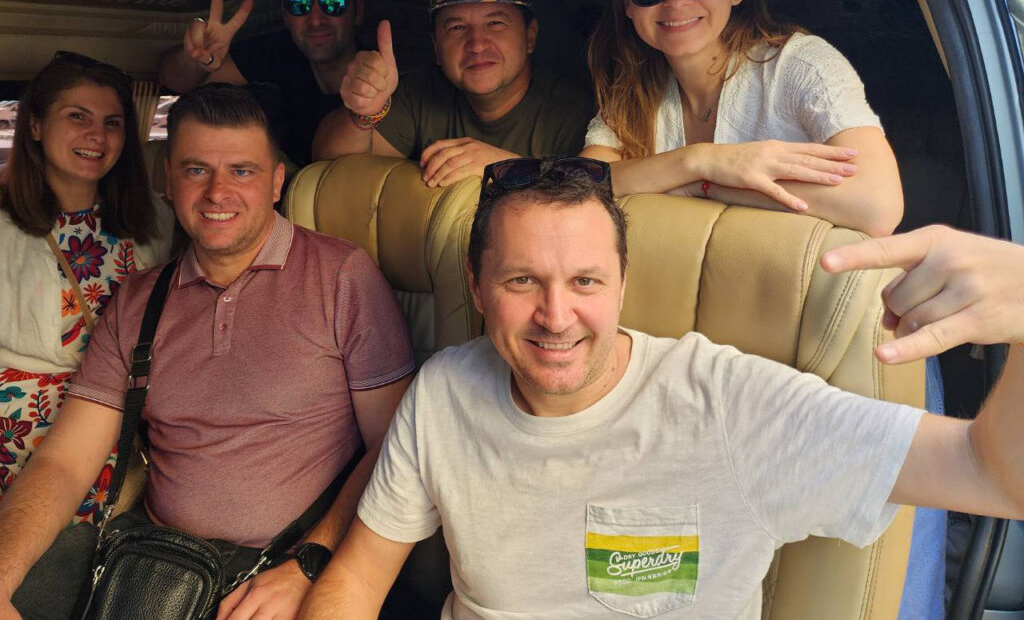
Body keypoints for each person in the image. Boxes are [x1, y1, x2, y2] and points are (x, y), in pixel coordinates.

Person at [298, 157, 1024, 619]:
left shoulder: (730, 404)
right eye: (522, 281)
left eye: (586, 281)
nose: (556, 315)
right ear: (477, 287)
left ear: (623, 285)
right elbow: (356, 580)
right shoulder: (443, 391)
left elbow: (991, 474)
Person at [0, 84, 415, 620]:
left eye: (242, 171)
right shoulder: (139, 299)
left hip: (288, 568)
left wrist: (312, 564)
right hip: (153, 566)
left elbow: (396, 447)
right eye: (197, 170)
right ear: (168, 179)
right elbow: (63, 462)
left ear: (276, 182)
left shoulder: (342, 276)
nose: (219, 192)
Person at [582, 0, 903, 237]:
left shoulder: (800, 65)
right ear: (629, 2)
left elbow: (877, 203)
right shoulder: (633, 88)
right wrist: (698, 162)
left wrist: (707, 185)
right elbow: (580, 182)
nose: (676, 0)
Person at [0, 51, 174, 518]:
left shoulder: (155, 219)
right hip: (14, 440)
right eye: (78, 116)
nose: (97, 135)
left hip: (119, 428)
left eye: (112, 123)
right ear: (35, 125)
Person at [312, 0, 595, 187]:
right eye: (457, 28)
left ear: (529, 37)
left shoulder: (573, 111)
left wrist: (508, 169)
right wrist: (364, 113)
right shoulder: (421, 92)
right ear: (437, 48)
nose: (477, 44)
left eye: (495, 24)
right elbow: (329, 166)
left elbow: (595, 198)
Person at [157, 0, 364, 167]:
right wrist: (195, 59)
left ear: (358, 10)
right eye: (298, 3)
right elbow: (175, 81)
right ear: (285, 13)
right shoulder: (279, 53)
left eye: (334, 2)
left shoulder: (380, 83)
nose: (316, 19)